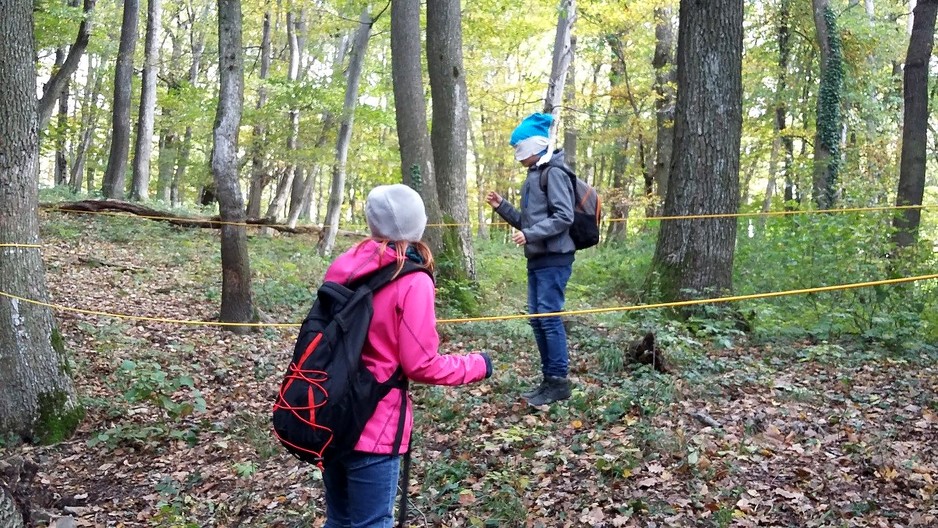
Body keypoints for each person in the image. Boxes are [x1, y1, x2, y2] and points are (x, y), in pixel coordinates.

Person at [321, 184, 493, 528]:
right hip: (375, 426)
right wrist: (477, 365)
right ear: (418, 226)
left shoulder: (344, 265)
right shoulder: (413, 281)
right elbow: (421, 364)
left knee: (339, 519)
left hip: (329, 411)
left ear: (372, 223)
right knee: (372, 522)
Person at [486, 112, 575, 406]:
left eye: (518, 148)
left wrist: (532, 234)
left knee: (548, 319)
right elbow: (528, 222)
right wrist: (502, 207)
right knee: (538, 321)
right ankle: (548, 379)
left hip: (555, 257)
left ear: (534, 147)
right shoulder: (533, 175)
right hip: (538, 258)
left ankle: (558, 381)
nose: (516, 155)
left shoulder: (555, 173)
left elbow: (564, 216)